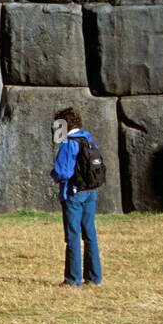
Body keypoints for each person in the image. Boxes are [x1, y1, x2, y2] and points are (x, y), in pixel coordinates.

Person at [50, 107, 103, 287]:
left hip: (73, 194)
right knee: (90, 235)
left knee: (73, 236)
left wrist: (53, 175)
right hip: (90, 192)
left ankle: (73, 279)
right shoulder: (88, 139)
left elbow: (63, 171)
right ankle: (94, 277)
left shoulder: (68, 143)